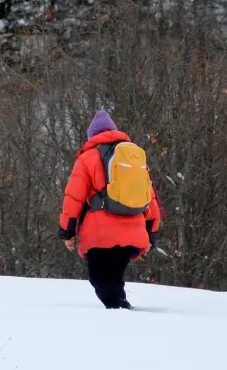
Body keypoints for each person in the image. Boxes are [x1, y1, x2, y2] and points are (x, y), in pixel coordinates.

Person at [57, 109, 163, 309]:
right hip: (133, 232)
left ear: (92, 137)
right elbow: (151, 200)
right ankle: (122, 313)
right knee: (114, 277)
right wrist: (151, 235)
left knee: (101, 279)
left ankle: (121, 314)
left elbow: (73, 199)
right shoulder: (133, 158)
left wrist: (67, 232)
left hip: (101, 234)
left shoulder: (88, 158)